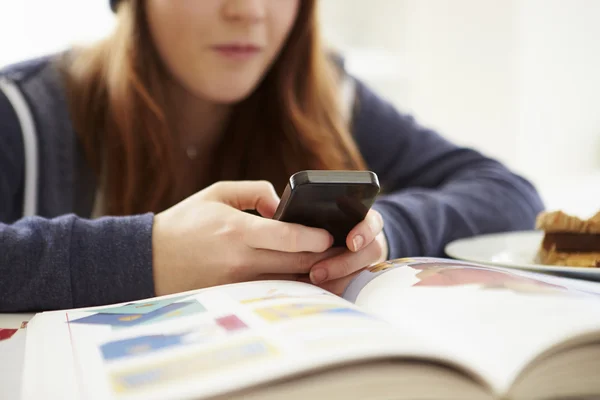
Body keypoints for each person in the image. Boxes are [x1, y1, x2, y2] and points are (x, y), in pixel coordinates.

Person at [0, 0, 544, 313]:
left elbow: (508, 194)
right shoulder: (21, 114)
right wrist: (146, 256)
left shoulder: (328, 95)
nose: (249, 11)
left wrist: (379, 235)